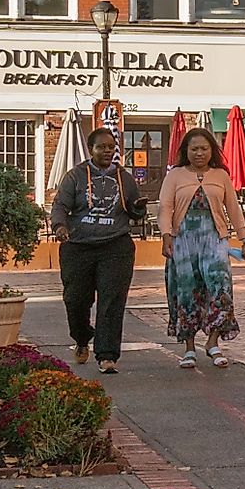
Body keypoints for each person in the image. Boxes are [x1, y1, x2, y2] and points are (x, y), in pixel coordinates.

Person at [51, 129, 147, 371]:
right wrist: (60, 226)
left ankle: (107, 355)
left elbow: (133, 211)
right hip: (78, 246)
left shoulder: (124, 177)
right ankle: (82, 338)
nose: (107, 151)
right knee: (75, 300)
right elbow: (61, 204)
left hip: (115, 245)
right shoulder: (75, 176)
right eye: (101, 147)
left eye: (111, 147)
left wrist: (138, 209)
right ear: (91, 149)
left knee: (111, 301)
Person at [158, 127, 245, 368]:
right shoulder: (175, 175)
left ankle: (213, 342)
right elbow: (165, 207)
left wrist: (244, 238)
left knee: (220, 289)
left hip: (215, 241)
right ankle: (189, 348)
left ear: (212, 151)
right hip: (183, 241)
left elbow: (233, 208)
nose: (199, 153)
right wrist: (166, 235)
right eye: (194, 148)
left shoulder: (221, 176)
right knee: (186, 291)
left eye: (204, 148)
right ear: (186, 151)